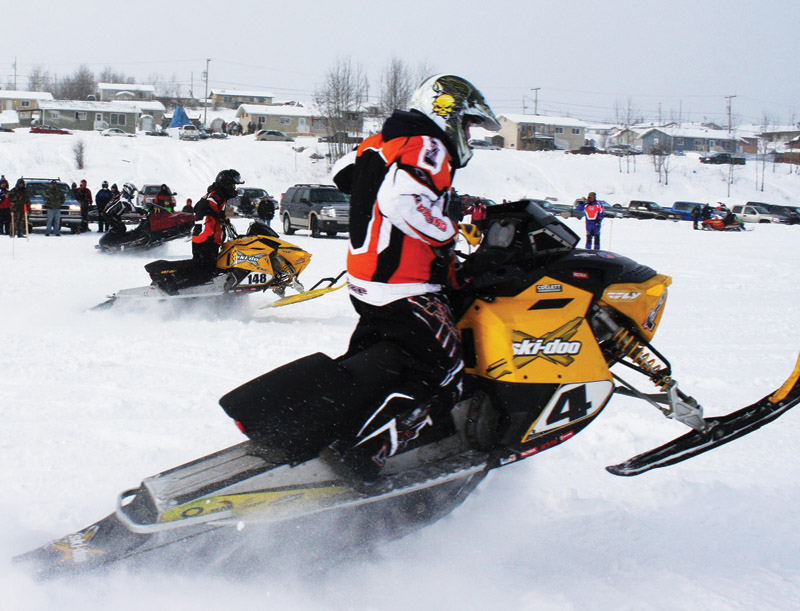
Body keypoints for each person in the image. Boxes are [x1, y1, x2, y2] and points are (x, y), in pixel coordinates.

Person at [328, 74, 500, 484]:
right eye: (468, 125)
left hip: (368, 283)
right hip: (407, 285)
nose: (468, 135)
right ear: (449, 112)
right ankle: (365, 454)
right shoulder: (428, 145)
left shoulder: (381, 141)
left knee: (376, 366)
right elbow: (400, 200)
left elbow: (342, 174)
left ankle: (337, 425)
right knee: (444, 373)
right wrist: (447, 229)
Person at [149, 169, 243, 294]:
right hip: (206, 238)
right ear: (226, 184)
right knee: (204, 270)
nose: (234, 188)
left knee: (206, 267)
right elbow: (202, 207)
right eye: (233, 185)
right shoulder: (215, 196)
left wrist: (220, 219)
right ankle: (171, 282)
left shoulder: (219, 196)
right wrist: (213, 222)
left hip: (208, 237)